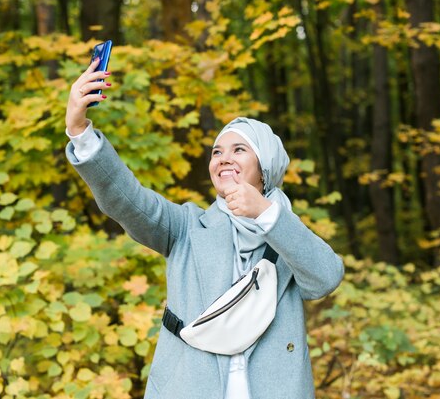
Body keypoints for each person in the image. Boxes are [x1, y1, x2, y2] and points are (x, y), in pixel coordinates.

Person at [65, 58, 344, 399]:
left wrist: (266, 216)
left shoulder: (286, 232)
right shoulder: (184, 227)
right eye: (217, 152)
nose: (223, 158)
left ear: (265, 167)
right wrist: (81, 133)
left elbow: (326, 278)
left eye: (239, 149)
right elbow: (127, 199)